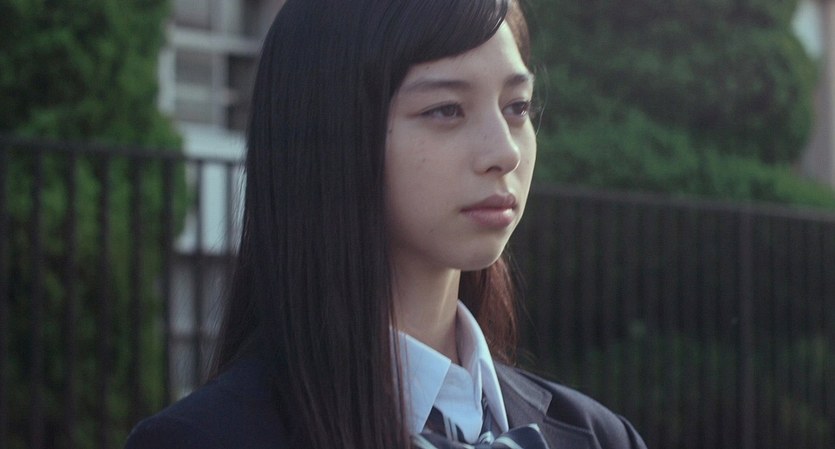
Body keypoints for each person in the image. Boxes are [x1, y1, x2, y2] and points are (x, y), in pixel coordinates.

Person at [126, 0, 647, 448]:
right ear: (329, 132)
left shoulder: (600, 436)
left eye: (517, 107)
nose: (504, 152)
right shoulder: (205, 438)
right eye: (446, 110)